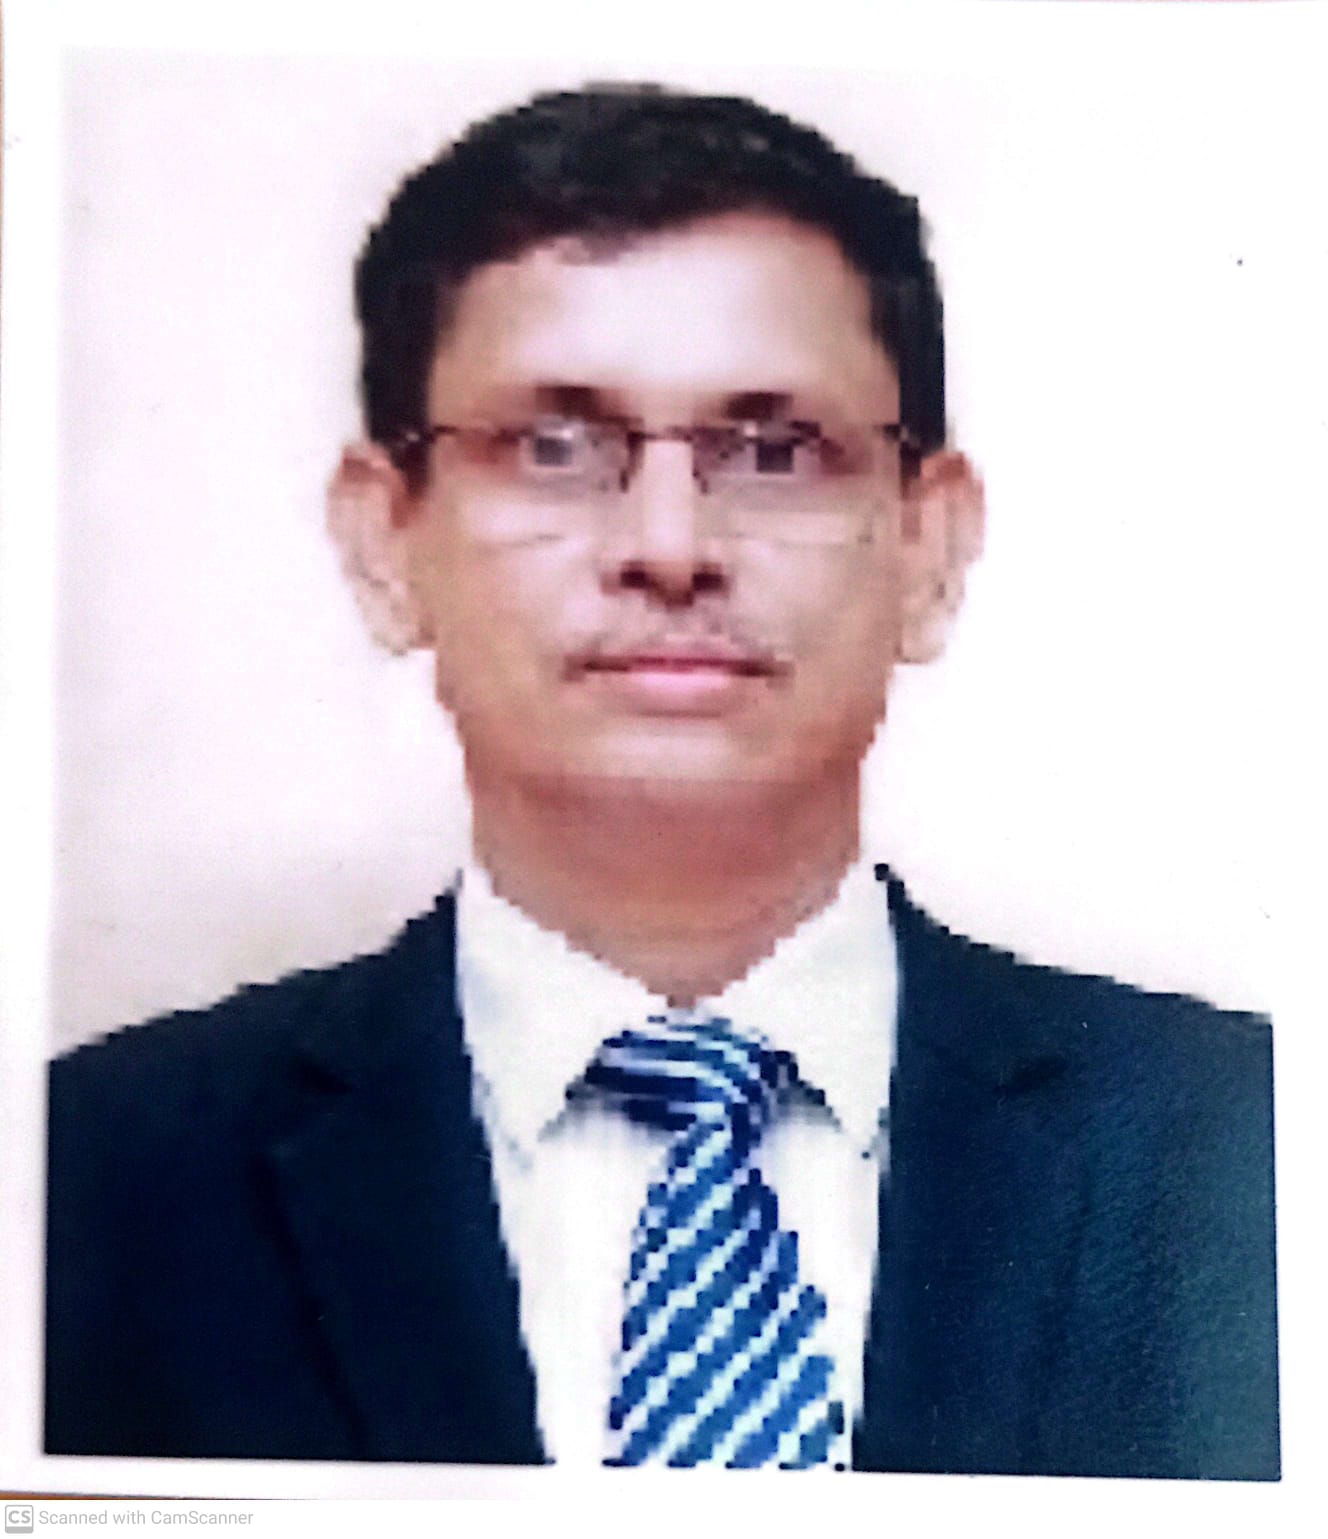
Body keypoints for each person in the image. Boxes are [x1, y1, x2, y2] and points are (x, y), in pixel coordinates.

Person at [44, 84, 1277, 1478]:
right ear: (385, 542)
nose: (672, 546)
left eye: (775, 451)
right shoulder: (86, 1180)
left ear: (929, 547)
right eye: (554, 447)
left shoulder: (1247, 1155)